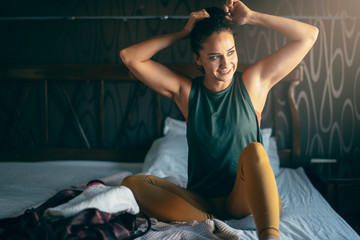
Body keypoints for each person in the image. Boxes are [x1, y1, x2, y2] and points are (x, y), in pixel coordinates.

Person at [120, 1, 318, 239]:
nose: (226, 64)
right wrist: (183, 33)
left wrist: (252, 17)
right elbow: (130, 57)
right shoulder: (187, 93)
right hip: (201, 203)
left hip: (246, 200)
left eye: (231, 52)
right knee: (132, 183)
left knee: (255, 150)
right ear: (198, 59)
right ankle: (211, 222)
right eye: (214, 57)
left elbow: (309, 35)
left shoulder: (254, 83)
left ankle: (269, 235)